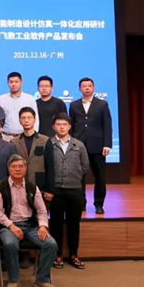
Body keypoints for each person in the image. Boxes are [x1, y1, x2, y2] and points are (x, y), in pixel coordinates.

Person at [0, 155, 58, 287]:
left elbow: (41, 210)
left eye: (21, 166)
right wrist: (12, 226)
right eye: (14, 167)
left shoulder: (32, 187)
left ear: (26, 168)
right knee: (10, 244)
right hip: (8, 226)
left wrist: (42, 226)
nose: (17, 169)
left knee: (51, 244)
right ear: (9, 169)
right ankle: (14, 280)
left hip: (30, 225)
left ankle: (42, 280)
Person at [50, 113, 90, 270]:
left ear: (70, 127)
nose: (62, 127)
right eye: (58, 124)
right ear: (54, 127)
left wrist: (74, 177)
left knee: (74, 224)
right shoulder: (49, 144)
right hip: (56, 191)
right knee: (56, 224)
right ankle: (57, 255)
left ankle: (74, 254)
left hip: (74, 190)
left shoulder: (78, 145)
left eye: (64, 124)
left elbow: (85, 166)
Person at [69, 77, 112, 214]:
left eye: (89, 86)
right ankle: (81, 203)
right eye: (84, 86)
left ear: (94, 88)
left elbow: (107, 125)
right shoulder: (74, 105)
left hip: (98, 146)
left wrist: (107, 145)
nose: (87, 88)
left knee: (100, 177)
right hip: (78, 145)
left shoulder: (102, 104)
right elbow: (71, 126)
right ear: (79, 89)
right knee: (79, 177)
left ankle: (99, 204)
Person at [14, 107, 55, 199]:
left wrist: (50, 189)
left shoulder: (45, 140)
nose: (26, 121)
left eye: (29, 118)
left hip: (40, 186)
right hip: (19, 185)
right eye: (23, 118)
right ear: (20, 121)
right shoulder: (14, 142)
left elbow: (50, 166)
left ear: (35, 120)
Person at [0, 72, 38, 140]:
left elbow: (36, 119)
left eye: (16, 82)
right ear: (7, 83)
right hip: (6, 137)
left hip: (24, 137)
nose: (14, 84)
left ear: (21, 82)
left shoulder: (30, 99)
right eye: (11, 82)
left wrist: (34, 135)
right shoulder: (0, 99)